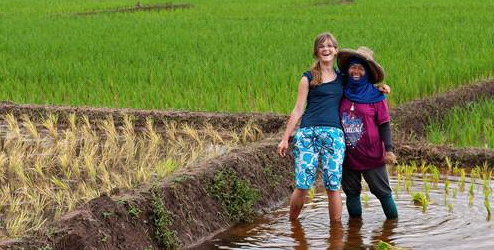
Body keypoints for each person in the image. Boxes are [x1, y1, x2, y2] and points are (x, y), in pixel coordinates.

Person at [277, 32, 346, 223]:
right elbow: (298, 109)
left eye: (330, 46)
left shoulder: (343, 78)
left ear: (336, 50)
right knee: (303, 185)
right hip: (308, 134)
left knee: (333, 186)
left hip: (334, 135)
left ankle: (336, 233)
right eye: (322, 46)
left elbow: (362, 87)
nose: (326, 49)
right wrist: (285, 137)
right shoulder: (307, 78)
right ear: (316, 51)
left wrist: (381, 88)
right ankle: (292, 224)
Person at [337, 46, 398, 220]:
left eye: (361, 68)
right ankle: (354, 235)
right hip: (348, 155)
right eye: (353, 67)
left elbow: (384, 124)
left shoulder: (377, 95)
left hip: (372, 155)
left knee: (383, 193)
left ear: (368, 72)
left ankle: (393, 232)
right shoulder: (341, 90)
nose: (356, 71)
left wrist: (389, 149)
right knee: (351, 193)